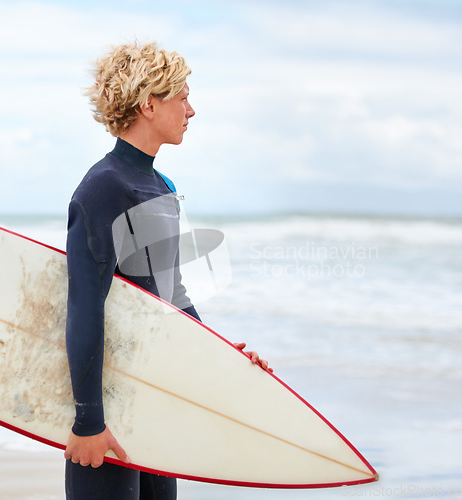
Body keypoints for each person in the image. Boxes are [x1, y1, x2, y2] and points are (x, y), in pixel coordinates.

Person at [64, 41, 271, 500]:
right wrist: (88, 421)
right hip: (111, 408)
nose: (191, 110)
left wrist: (219, 353)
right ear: (148, 103)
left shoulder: (160, 186)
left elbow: (170, 295)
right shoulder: (103, 187)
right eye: (182, 96)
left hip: (157, 400)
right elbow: (83, 308)